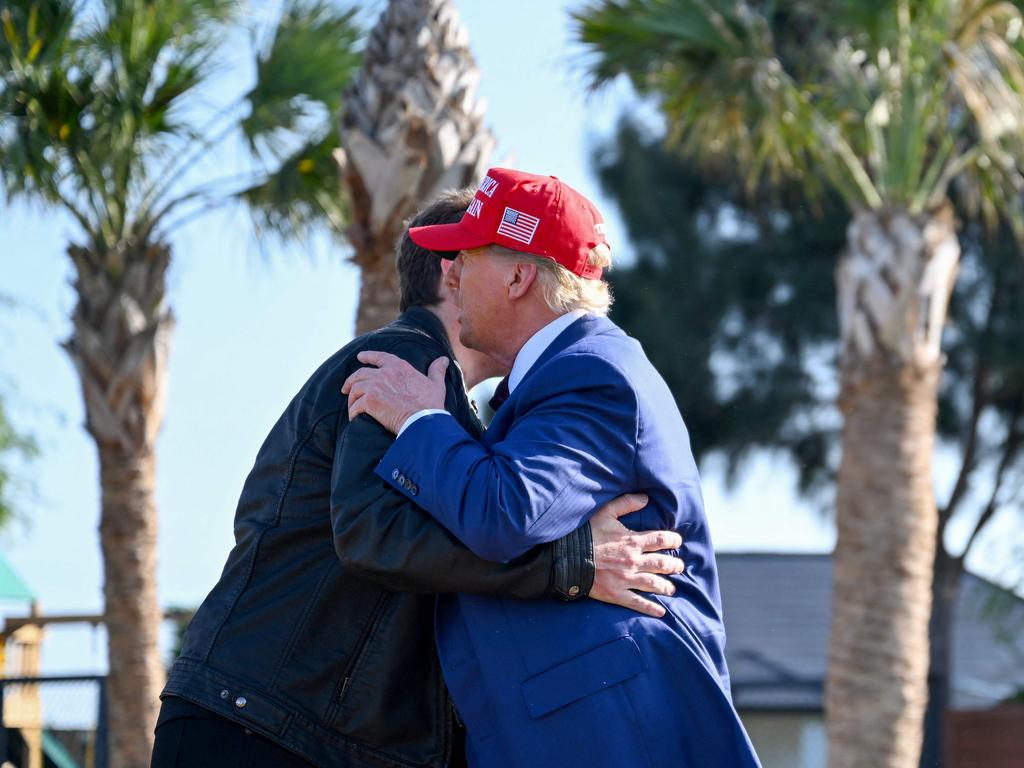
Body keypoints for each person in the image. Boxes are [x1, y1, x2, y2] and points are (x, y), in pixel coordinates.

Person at [152, 188, 687, 768]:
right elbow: (371, 535)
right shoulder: (399, 363)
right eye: (461, 258)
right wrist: (569, 564)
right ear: (450, 276)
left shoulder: (446, 402)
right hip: (261, 729)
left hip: (283, 725)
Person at [343, 168, 762, 768]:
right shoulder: (564, 373)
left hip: (614, 733)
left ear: (518, 276)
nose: (451, 274)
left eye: (466, 256)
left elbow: (502, 512)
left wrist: (419, 418)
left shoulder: (594, 372)